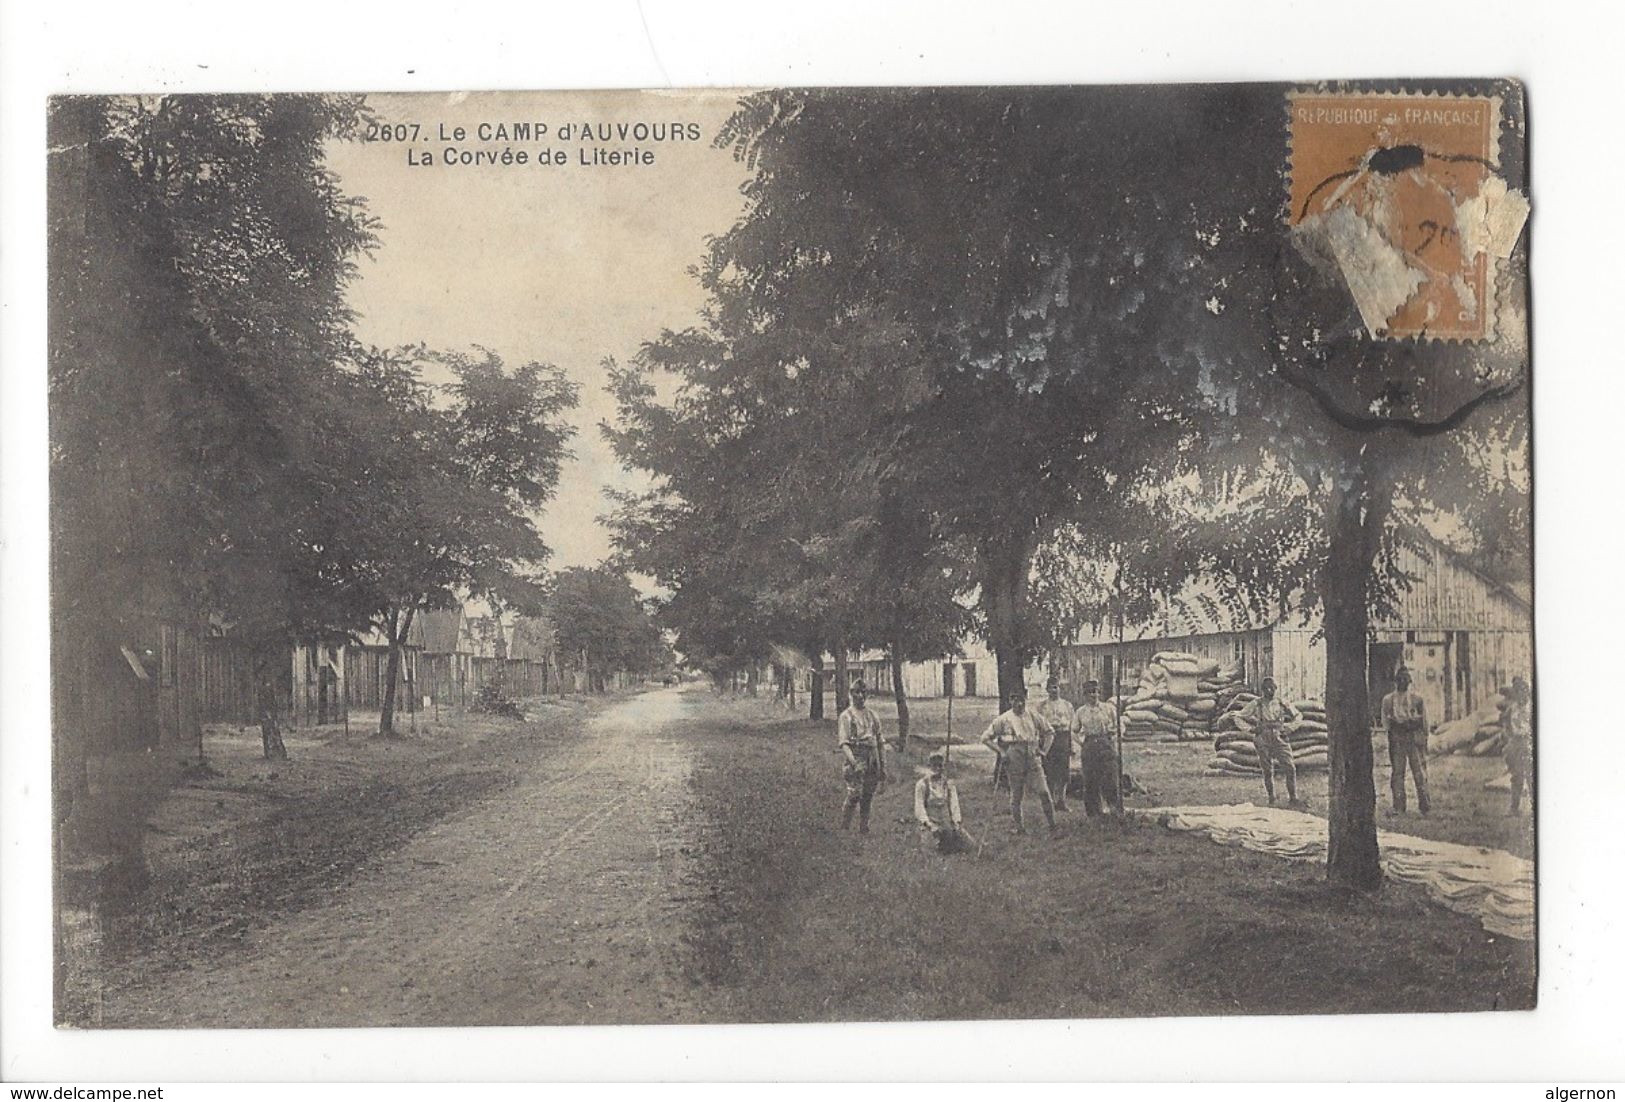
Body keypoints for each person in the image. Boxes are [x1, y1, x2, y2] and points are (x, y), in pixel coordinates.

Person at [980, 687, 1058, 836]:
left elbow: (1050, 732)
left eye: (1022, 700)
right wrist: (1001, 752)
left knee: (1043, 791)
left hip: (1032, 754)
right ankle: (1019, 827)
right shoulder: (1003, 719)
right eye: (1015, 700)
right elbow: (985, 738)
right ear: (1010, 701)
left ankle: (1052, 824)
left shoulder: (1033, 715)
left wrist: (1044, 750)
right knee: (1016, 794)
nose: (1019, 704)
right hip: (1014, 755)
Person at [1240, 676, 1303, 808]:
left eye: (1272, 688)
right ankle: (1271, 797)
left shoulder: (1282, 702)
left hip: (1279, 736)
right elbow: (1238, 716)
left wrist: (1290, 728)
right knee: (1267, 770)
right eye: (1266, 688)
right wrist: (1250, 729)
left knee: (1290, 767)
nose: (1270, 691)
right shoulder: (1256, 703)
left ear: (1276, 688)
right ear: (1262, 690)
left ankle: (1293, 797)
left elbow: (1298, 716)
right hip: (1263, 737)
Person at [837, 679, 886, 833]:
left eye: (863, 692)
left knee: (868, 794)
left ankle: (864, 827)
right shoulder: (846, 716)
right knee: (854, 793)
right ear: (851, 694)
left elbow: (880, 742)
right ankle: (844, 827)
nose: (860, 696)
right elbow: (844, 744)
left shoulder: (872, 715)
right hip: (855, 756)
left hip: (872, 756)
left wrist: (882, 765)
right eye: (857, 692)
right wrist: (854, 763)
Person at [1381, 666, 1430, 817]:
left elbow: (1424, 722)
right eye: (1400, 680)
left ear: (1409, 682)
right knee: (1398, 773)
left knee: (1419, 772)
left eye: (1405, 680)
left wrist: (1423, 738)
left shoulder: (1417, 699)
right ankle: (1399, 805)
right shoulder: (1388, 700)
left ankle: (1425, 805)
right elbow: (1386, 723)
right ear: (1396, 682)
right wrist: (1394, 728)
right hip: (1397, 739)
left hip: (1413, 738)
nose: (1403, 683)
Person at [1070, 680, 1122, 817]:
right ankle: (1094, 813)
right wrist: (1082, 742)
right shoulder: (1081, 712)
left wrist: (1114, 736)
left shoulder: (1108, 708)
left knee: (1110, 776)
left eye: (1096, 691)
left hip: (1106, 743)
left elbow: (1120, 725)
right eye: (1091, 692)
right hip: (1090, 744)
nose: (1094, 695)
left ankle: (1114, 809)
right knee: (1090, 780)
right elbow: (1073, 730)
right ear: (1085, 695)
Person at [915, 751, 975, 854]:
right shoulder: (922, 784)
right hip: (930, 825)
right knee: (931, 852)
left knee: (970, 846)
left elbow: (954, 804)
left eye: (940, 765)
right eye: (934, 766)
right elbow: (919, 808)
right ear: (929, 767)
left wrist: (956, 822)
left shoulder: (948, 784)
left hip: (946, 823)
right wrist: (929, 824)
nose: (937, 769)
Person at [1037, 679, 1075, 810]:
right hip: (1049, 739)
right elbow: (1039, 726)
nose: (1054, 690)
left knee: (1063, 773)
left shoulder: (1067, 705)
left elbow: (1071, 726)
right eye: (1051, 688)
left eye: (1056, 687)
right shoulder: (1042, 706)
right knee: (1050, 771)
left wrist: (1071, 746)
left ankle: (1062, 800)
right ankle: (1051, 801)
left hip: (1063, 738)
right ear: (1047, 690)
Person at [1502, 676, 1532, 815]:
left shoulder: (1531, 708)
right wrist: (1509, 738)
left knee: (1531, 777)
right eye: (1517, 692)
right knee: (1517, 777)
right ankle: (1514, 807)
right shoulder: (1512, 708)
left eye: (1523, 692)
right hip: (1516, 744)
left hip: (1528, 744)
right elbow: (1505, 723)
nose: (1521, 695)